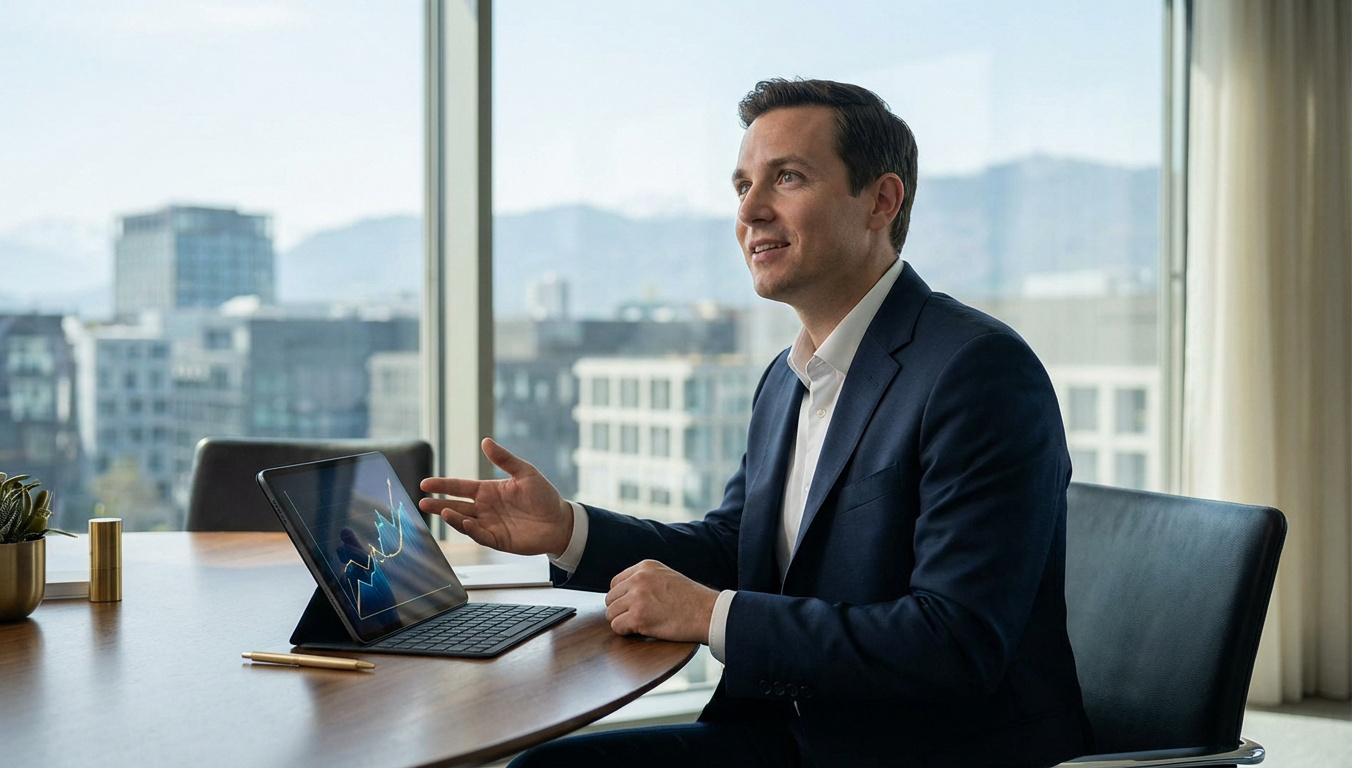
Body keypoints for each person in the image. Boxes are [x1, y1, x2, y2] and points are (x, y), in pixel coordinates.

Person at [419, 78, 1092, 768]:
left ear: (881, 201)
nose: (751, 210)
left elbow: (954, 644)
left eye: (787, 178)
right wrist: (567, 530)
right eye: (741, 186)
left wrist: (713, 616)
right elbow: (737, 547)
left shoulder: (978, 371)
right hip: (789, 736)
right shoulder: (786, 377)